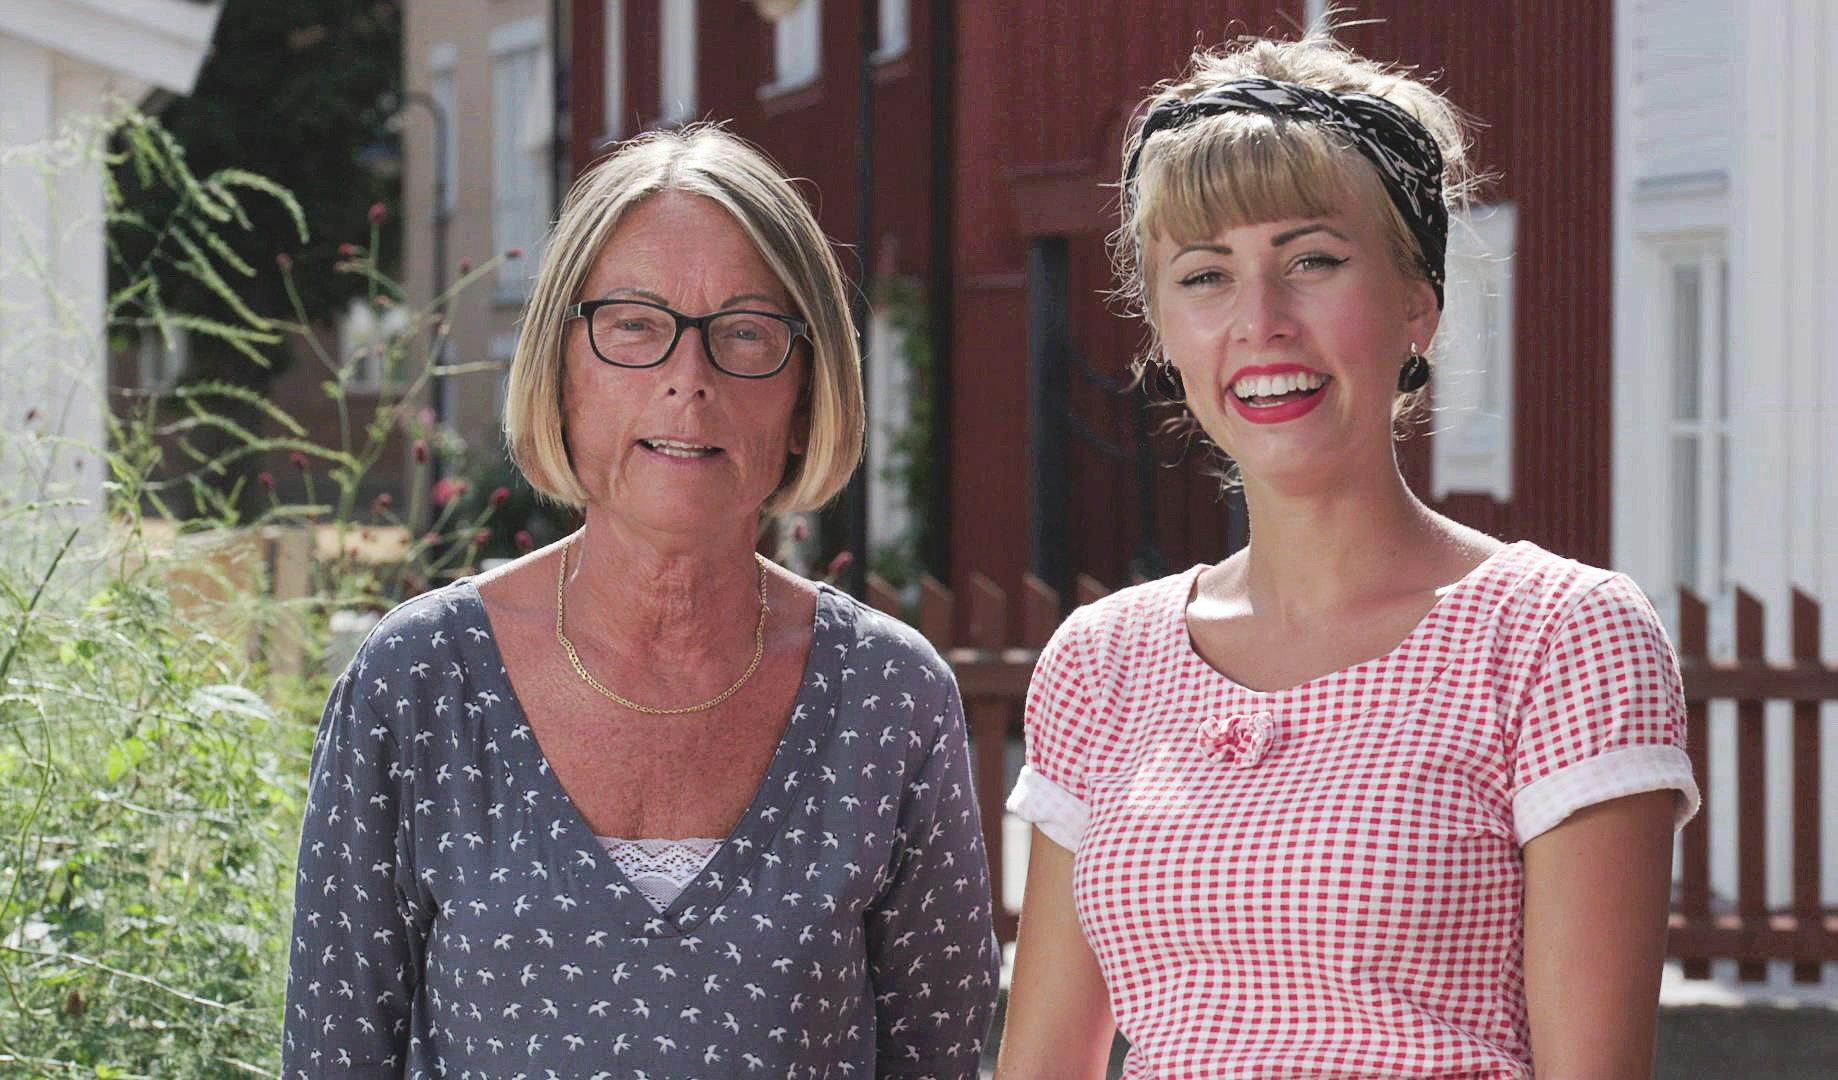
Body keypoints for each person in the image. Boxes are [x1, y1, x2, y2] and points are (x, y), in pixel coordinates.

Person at [996, 32, 1699, 1080]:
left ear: (1418, 301)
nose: (1261, 322)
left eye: (1313, 261)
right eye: (1205, 275)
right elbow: (1042, 1064)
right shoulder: (1101, 662)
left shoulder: (1557, 635)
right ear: (1164, 332)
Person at [281, 125, 998, 1079]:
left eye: (746, 331)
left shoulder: (889, 696)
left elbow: (939, 1063)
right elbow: (331, 1059)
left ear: (805, 393)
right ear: (560, 370)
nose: (687, 379)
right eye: (632, 324)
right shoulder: (419, 682)